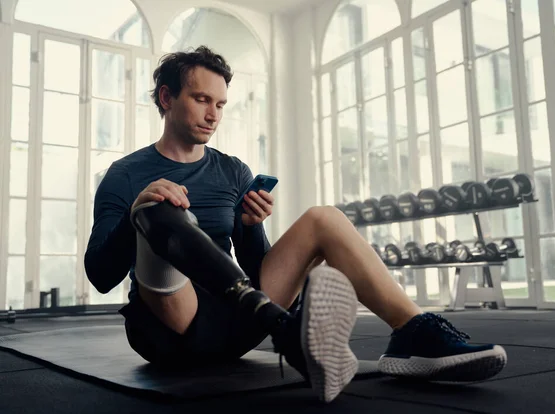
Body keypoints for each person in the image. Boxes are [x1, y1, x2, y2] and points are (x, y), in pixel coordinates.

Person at [84, 46, 507, 404]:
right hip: (172, 329)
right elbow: (100, 276)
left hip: (241, 320)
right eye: (200, 99)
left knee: (324, 218)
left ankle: (414, 332)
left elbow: (256, 264)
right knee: (161, 209)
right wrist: (138, 212)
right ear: (166, 97)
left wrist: (250, 226)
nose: (213, 114)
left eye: (220, 104)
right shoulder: (125, 174)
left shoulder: (233, 171)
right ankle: (292, 331)